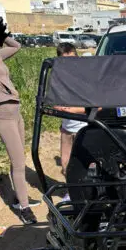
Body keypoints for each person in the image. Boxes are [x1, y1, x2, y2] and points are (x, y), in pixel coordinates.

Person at [0, 19, 38, 225]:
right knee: (18, 163)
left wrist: (1, 34)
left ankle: (20, 198)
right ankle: (25, 209)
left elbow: (17, 46)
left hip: (15, 111)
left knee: (19, 159)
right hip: (2, 114)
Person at [54, 43, 88, 203]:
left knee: (86, 166)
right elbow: (54, 103)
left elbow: (94, 107)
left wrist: (72, 111)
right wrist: (59, 108)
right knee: (66, 165)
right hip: (66, 129)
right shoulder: (59, 80)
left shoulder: (84, 80)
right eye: (64, 62)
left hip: (84, 128)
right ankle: (72, 194)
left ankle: (89, 195)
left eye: (71, 60)